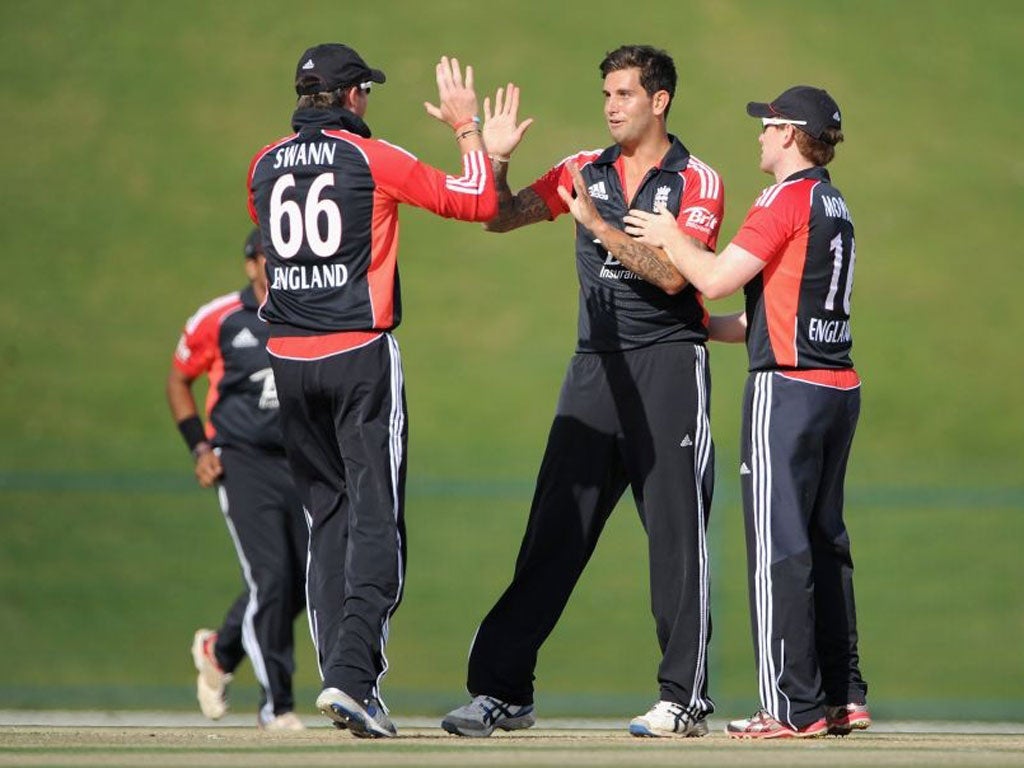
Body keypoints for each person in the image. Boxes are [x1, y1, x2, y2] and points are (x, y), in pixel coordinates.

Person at [441, 44, 724, 739]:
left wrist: (597, 226)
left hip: (667, 365)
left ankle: (683, 698)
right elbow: (499, 216)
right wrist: (494, 156)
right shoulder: (580, 169)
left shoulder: (697, 179)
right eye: (606, 94)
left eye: (624, 94)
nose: (611, 106)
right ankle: (504, 691)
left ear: (659, 100)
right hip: (593, 370)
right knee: (553, 532)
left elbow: (672, 278)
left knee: (675, 538)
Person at [245, 44, 498, 738]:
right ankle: (353, 680)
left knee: (326, 517)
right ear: (352, 95)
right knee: (375, 517)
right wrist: (469, 131)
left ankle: (340, 681)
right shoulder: (371, 157)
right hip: (358, 353)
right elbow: (476, 200)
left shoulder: (263, 164)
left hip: (287, 359)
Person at [618, 85, 870, 738]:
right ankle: (842, 695)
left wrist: (671, 237)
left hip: (786, 392)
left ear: (790, 134)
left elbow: (717, 276)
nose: (759, 135)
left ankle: (788, 707)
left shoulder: (785, 197)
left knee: (776, 550)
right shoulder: (833, 200)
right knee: (823, 543)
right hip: (835, 384)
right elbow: (754, 317)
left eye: (767, 126)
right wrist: (688, 327)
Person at [166, 228, 308, 731]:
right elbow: (178, 379)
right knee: (270, 577)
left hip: (301, 461)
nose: (279, 265)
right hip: (242, 459)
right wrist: (199, 447)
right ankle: (278, 707)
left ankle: (218, 650)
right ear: (252, 264)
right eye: (270, 257)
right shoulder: (222, 318)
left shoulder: (312, 313)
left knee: (301, 583)